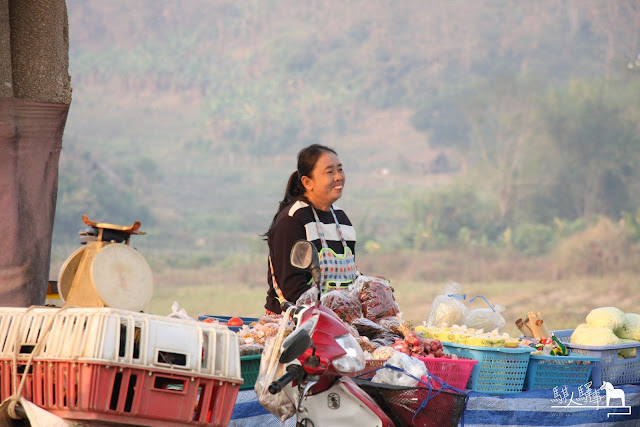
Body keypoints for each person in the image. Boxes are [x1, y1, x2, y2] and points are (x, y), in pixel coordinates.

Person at [264, 144, 357, 314]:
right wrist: (332, 313)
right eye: (330, 172)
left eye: (340, 170)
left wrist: (368, 286)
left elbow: (348, 279)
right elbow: (292, 288)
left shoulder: (342, 219)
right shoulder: (292, 220)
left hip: (336, 319)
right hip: (294, 322)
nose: (338, 177)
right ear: (307, 182)